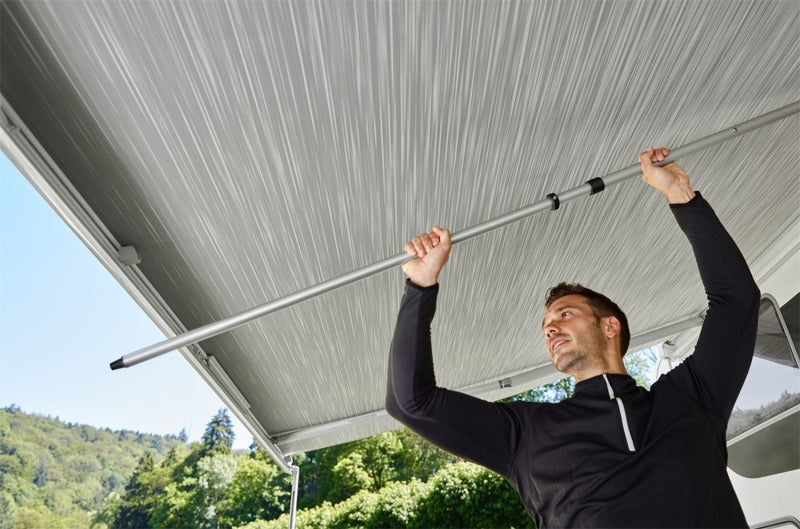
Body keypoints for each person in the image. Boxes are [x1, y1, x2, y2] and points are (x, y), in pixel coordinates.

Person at [385, 147, 760, 528]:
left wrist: (681, 195)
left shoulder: (691, 398)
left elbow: (736, 300)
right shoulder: (525, 435)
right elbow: (411, 402)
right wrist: (420, 286)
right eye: (546, 324)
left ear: (610, 327)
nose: (550, 328)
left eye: (565, 314)